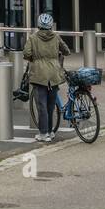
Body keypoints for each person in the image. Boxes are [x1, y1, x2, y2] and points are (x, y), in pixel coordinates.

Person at [23, 13, 71, 142]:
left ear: (39, 25)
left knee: (41, 105)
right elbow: (67, 51)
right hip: (54, 74)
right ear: (51, 25)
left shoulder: (33, 38)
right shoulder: (56, 37)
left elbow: (26, 53)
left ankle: (43, 134)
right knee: (50, 106)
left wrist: (35, 59)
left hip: (39, 75)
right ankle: (50, 132)